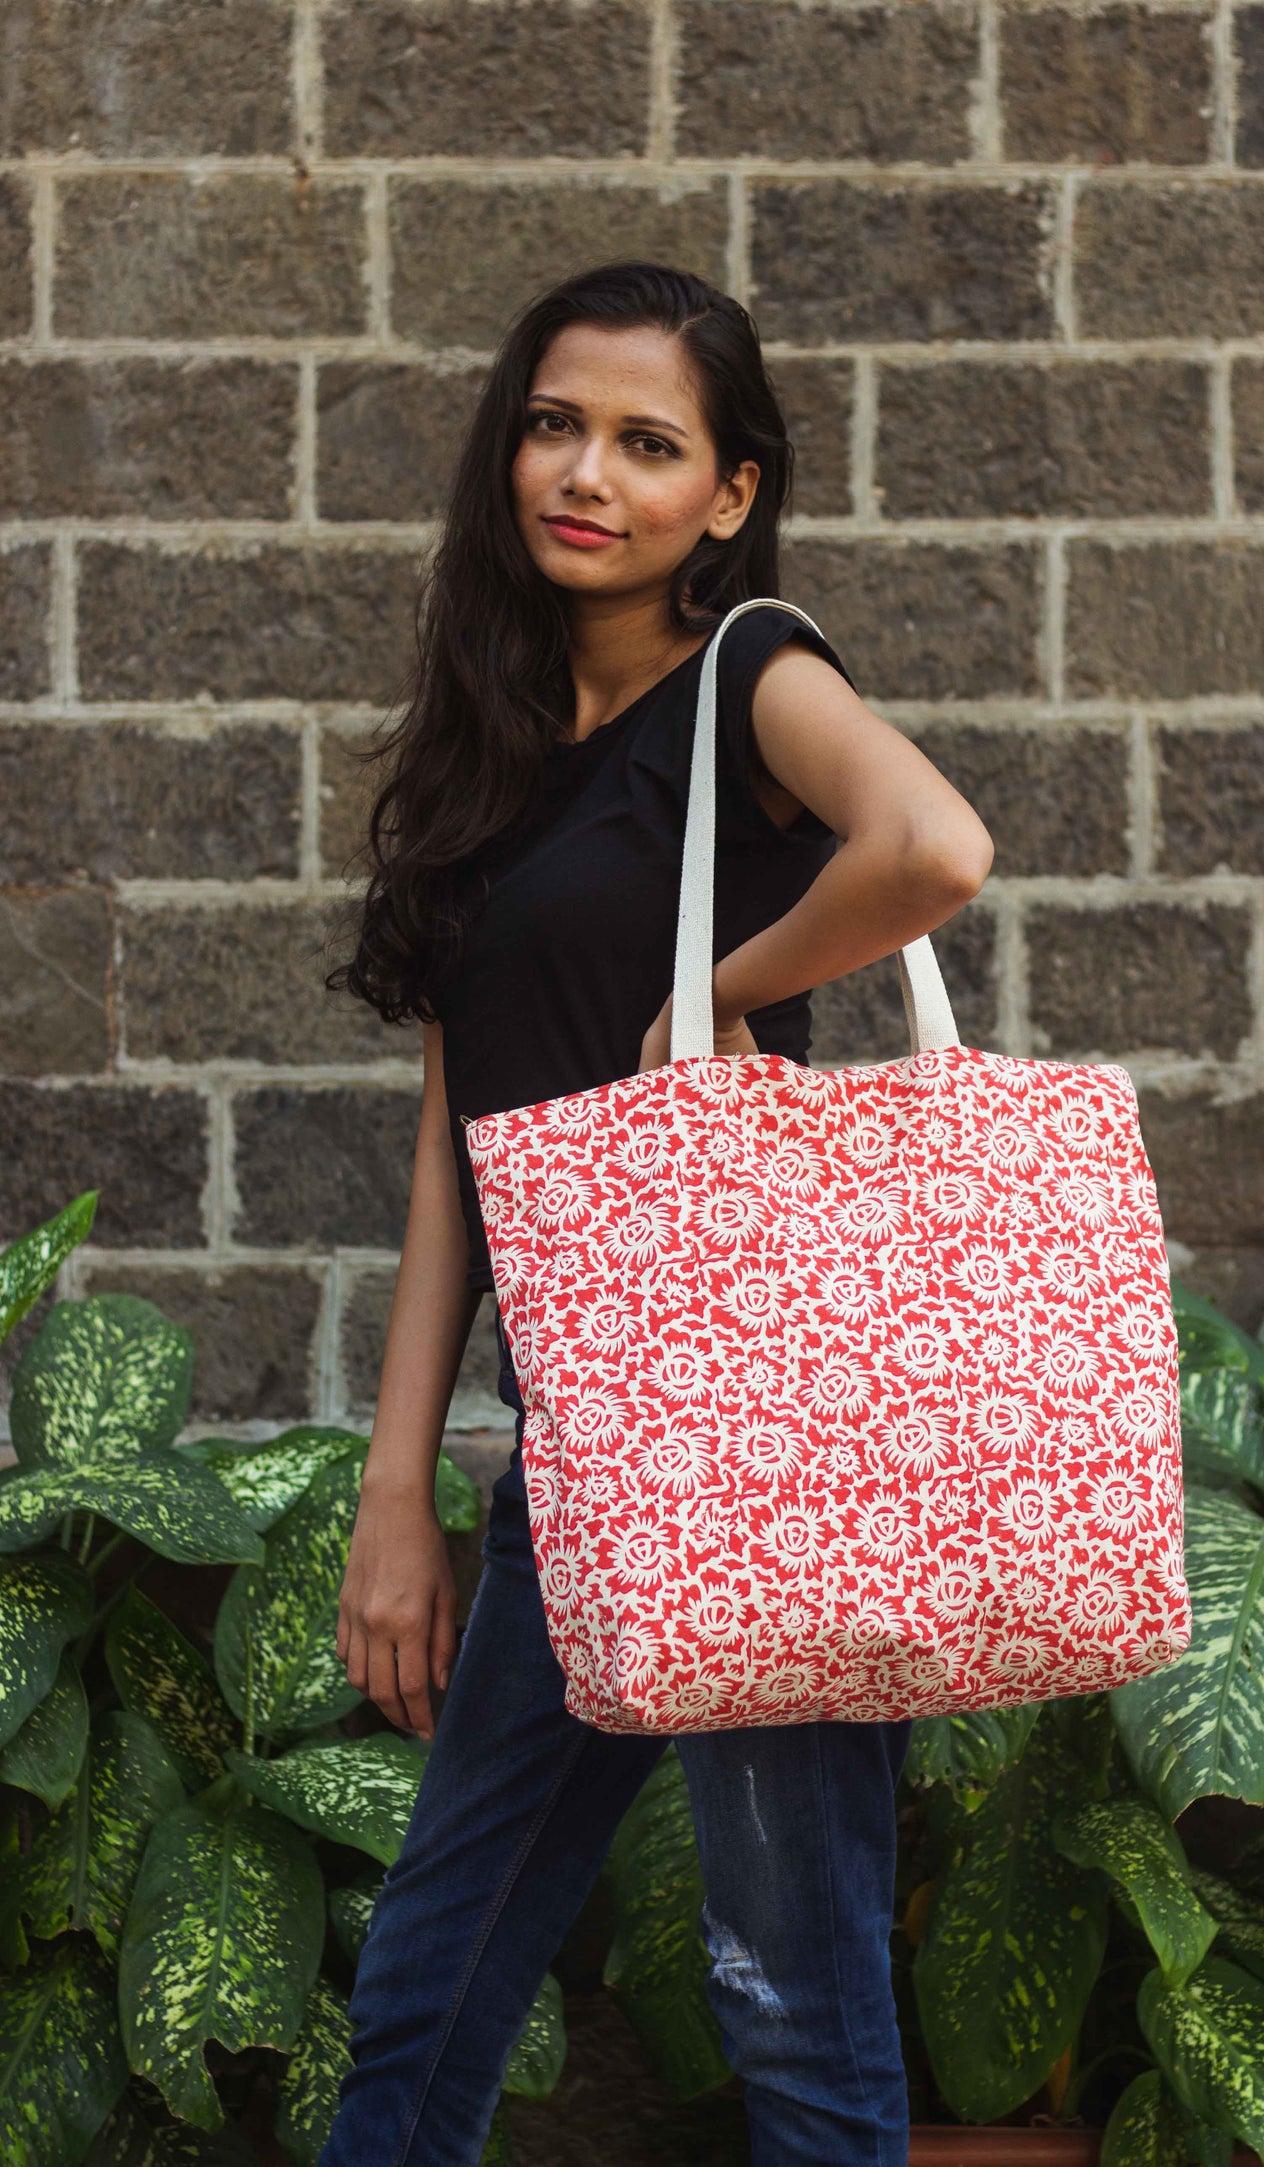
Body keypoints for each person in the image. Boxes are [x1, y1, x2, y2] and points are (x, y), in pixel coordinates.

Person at [318, 259, 994, 2167]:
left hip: (759, 1448)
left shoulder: (751, 677)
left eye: (646, 441)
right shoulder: (501, 754)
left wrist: (716, 990)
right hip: (579, 1450)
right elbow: (463, 1117)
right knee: (425, 1997)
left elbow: (934, 846)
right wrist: (398, 1487)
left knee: (796, 2013)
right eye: (552, 423)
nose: (583, 471)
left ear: (731, 492)